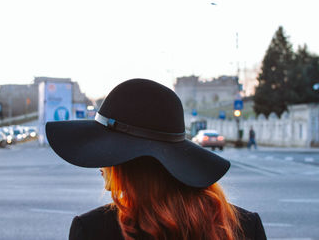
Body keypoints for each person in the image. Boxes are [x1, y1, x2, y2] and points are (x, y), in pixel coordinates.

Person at [45, 79, 266, 240]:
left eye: (105, 151)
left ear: (129, 163)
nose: (101, 166)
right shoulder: (244, 227)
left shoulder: (93, 230)